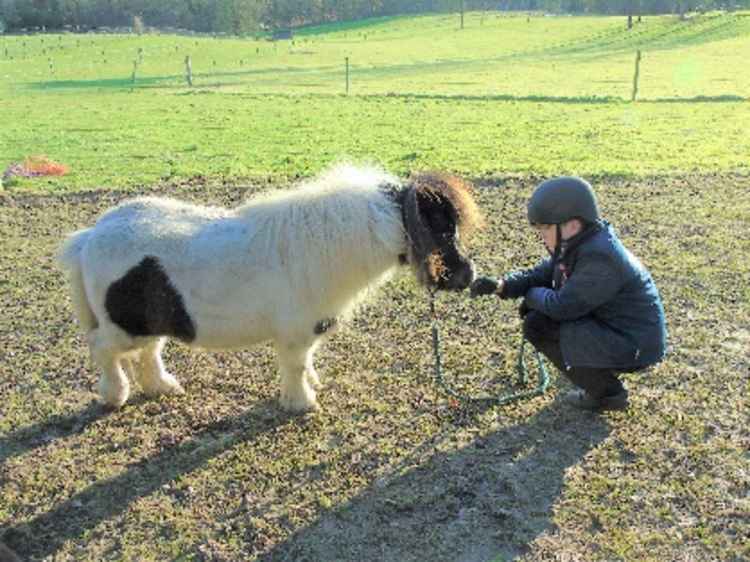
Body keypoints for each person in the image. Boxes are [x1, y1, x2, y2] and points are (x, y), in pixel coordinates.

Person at [470, 176, 667, 411]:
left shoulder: (599, 258)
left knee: (539, 325)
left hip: (635, 345)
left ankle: (607, 394)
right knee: (541, 320)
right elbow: (543, 272)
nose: (541, 235)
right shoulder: (582, 243)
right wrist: (501, 285)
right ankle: (596, 375)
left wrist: (532, 296)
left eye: (544, 228)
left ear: (571, 225)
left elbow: (562, 307)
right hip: (617, 330)